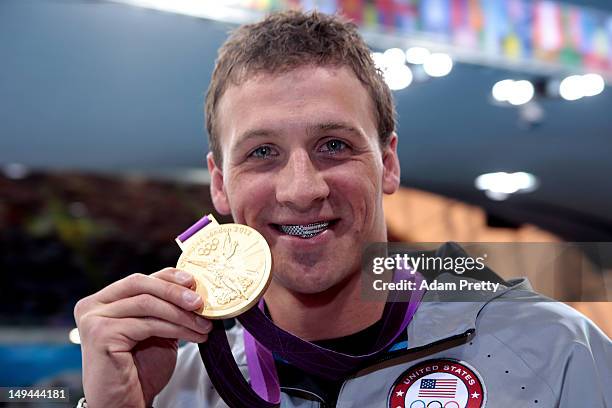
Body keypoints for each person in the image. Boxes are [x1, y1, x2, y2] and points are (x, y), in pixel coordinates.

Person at [74, 10, 611, 408]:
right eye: (262, 153)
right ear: (220, 183)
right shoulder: (169, 380)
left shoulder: (553, 351)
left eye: (334, 145)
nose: (302, 189)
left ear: (389, 163)